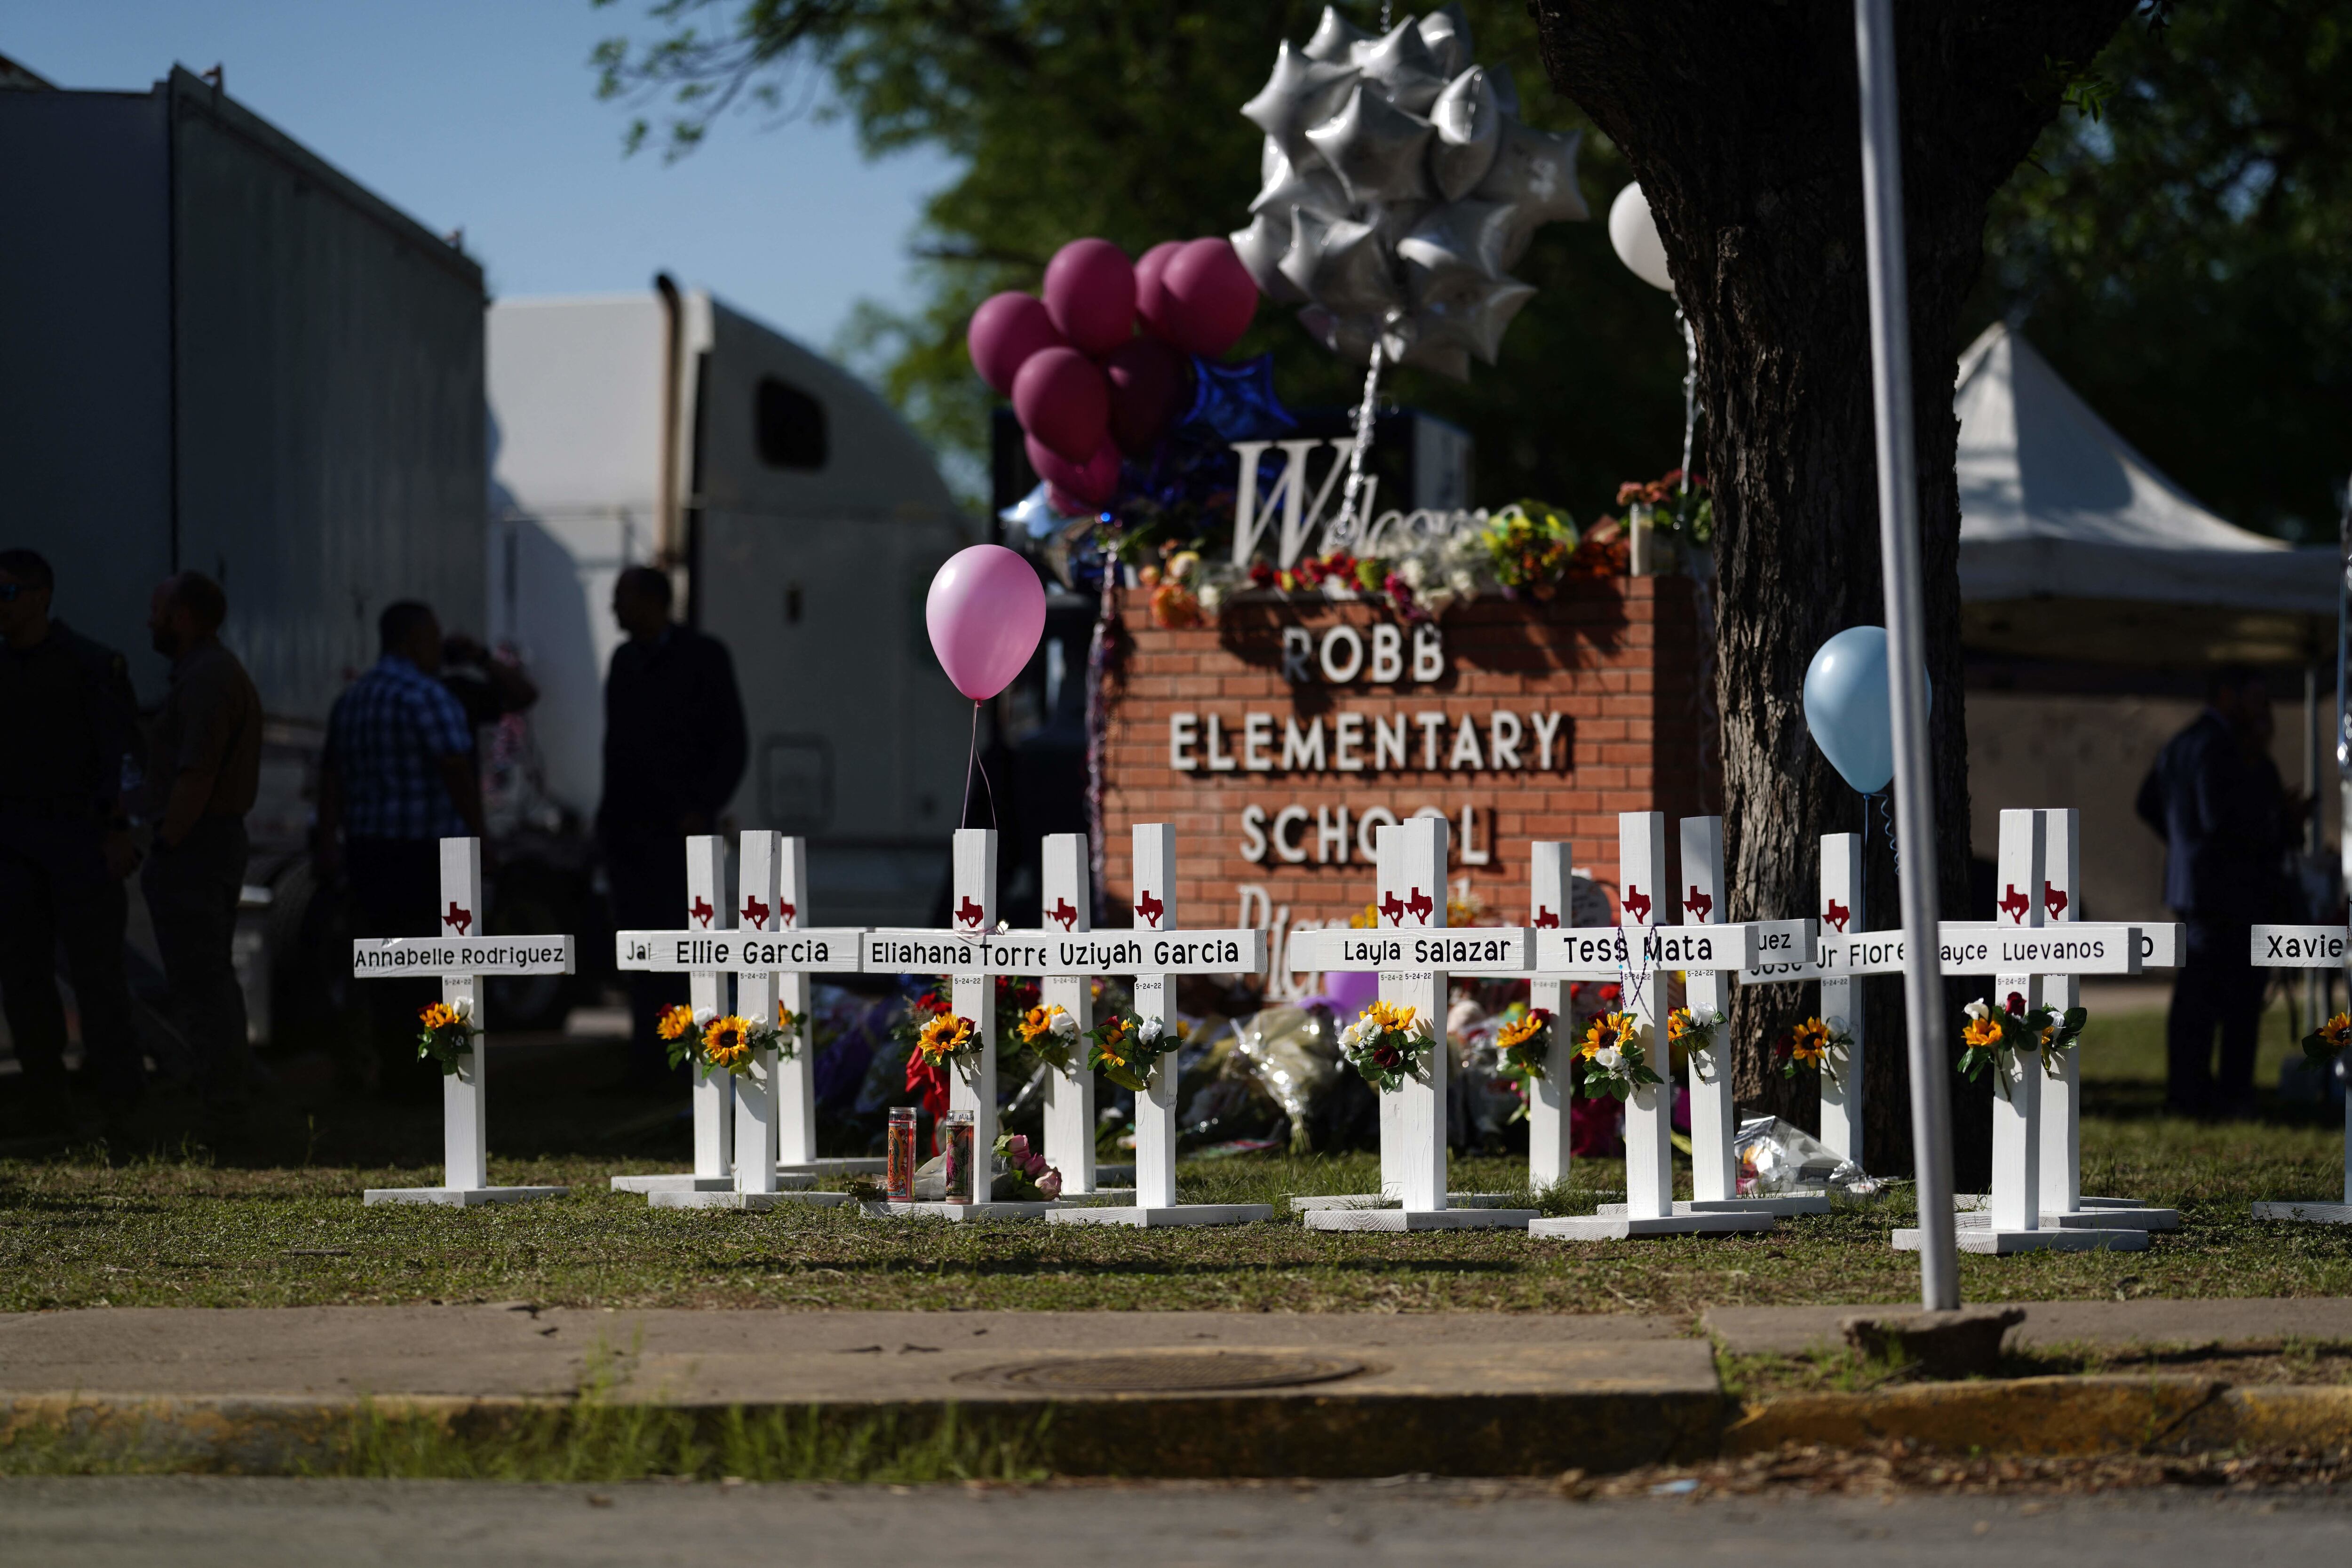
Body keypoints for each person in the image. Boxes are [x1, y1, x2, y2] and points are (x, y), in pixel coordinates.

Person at [0, 548, 145, 1138]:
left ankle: (123, 1113)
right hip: (14, 851)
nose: (0, 607)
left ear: (41, 597)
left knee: (99, 982)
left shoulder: (91, 666)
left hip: (81, 845)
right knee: (24, 982)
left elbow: (126, 760)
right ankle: (47, 1112)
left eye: (7, 593)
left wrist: (120, 833)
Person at [318, 601, 486, 1101]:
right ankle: (439, 1077)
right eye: (433, 639)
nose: (438, 649)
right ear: (413, 640)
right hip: (427, 855)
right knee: (437, 971)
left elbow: (331, 778)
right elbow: (455, 768)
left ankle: (391, 1072)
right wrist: (481, 838)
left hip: (368, 853)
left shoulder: (352, 700)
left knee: (383, 972)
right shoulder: (426, 695)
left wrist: (330, 841)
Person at [600, 565, 747, 1088]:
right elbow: (616, 749)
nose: (615, 610)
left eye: (623, 598)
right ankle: (646, 1058)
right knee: (638, 951)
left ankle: (693, 1052)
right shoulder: (623, 662)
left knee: (686, 947)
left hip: (681, 830)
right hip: (630, 829)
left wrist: (702, 806)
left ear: (653, 602)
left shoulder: (702, 656)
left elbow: (731, 741)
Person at [2136, 666, 2302, 1119]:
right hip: (2225, 889)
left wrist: (2181, 843)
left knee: (2195, 993)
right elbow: (2222, 821)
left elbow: (2147, 801)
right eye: (2255, 698)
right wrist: (2274, 823)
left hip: (2192, 886)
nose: (2261, 709)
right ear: (2228, 695)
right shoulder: (2221, 746)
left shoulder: (2181, 741)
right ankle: (2218, 1093)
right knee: (2227, 995)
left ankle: (2190, 1092)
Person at [141, 572, 263, 1128]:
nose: (150, 621)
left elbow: (196, 773)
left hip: (198, 842)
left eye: (159, 610)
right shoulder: (206, 673)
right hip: (206, 839)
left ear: (184, 617)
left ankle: (226, 1102)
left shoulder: (208, 679)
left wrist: (166, 839)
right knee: (206, 975)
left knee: (201, 979)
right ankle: (230, 1093)